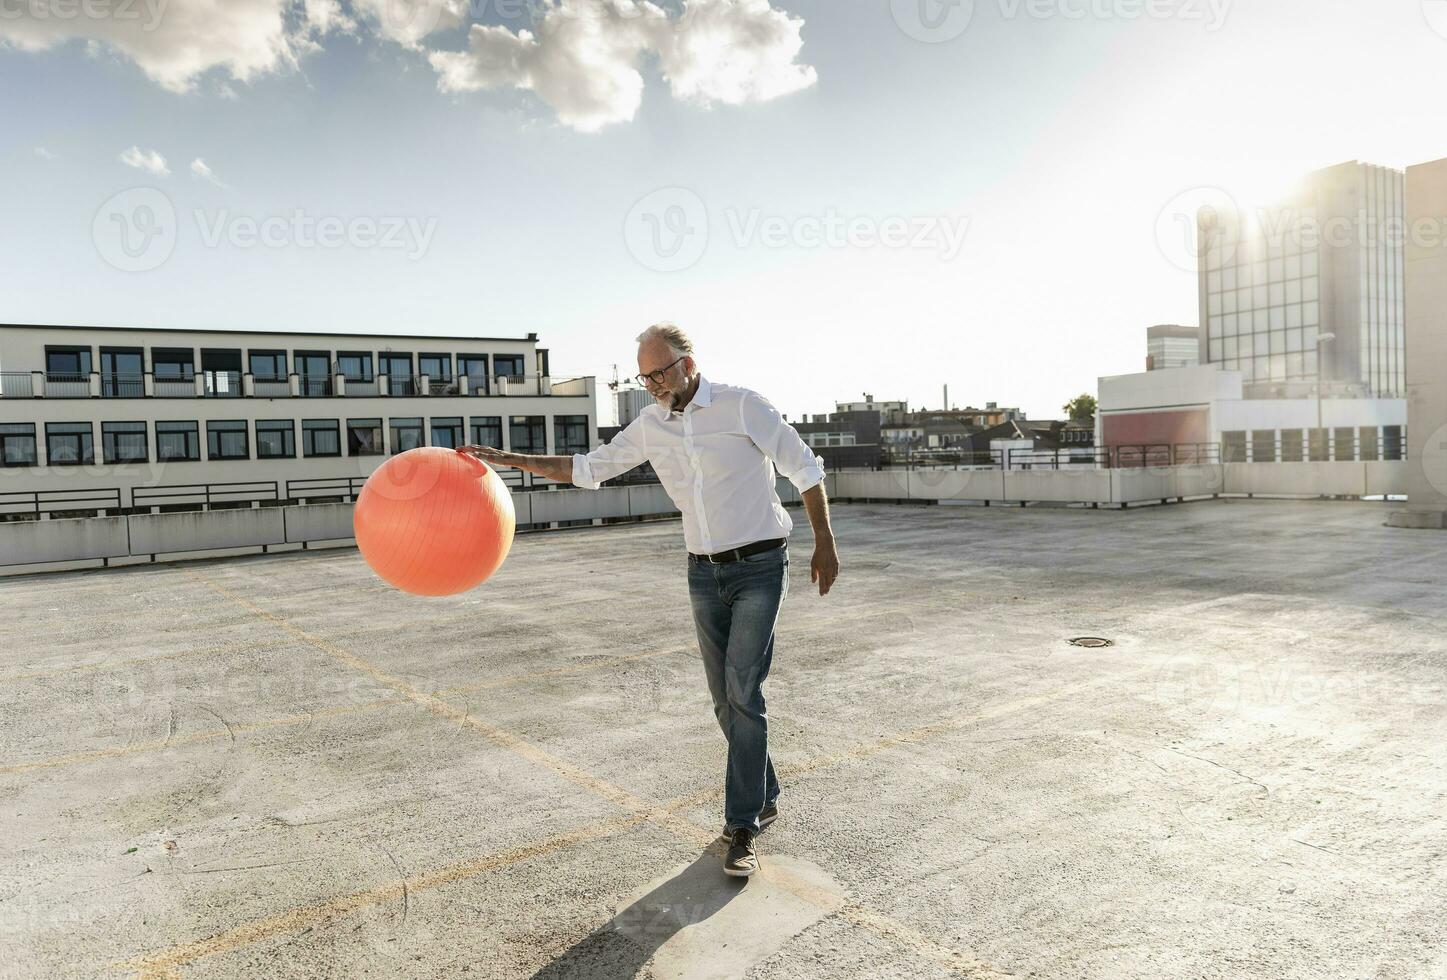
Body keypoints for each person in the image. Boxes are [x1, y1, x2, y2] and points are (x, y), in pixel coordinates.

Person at [458, 322, 840, 878]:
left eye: (659, 371)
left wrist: (825, 543)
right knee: (722, 699)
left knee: (742, 688)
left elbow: (805, 468)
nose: (652, 383)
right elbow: (586, 470)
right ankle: (764, 791)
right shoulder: (650, 425)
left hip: (759, 566)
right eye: (645, 375)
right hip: (702, 573)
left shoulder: (741, 406)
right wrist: (505, 457)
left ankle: (741, 827)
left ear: (688, 362)